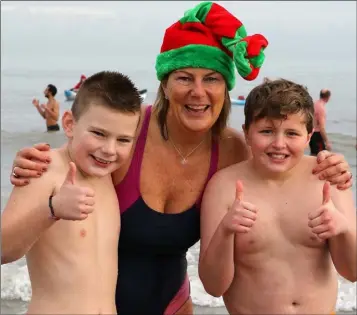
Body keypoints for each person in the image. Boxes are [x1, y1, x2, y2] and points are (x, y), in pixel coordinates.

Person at [7, 2, 353, 315]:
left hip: (174, 305)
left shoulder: (234, 150)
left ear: (226, 88)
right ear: (165, 83)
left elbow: (281, 165)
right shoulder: (128, 134)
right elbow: (83, 143)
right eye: (184, 77)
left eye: (212, 79)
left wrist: (329, 166)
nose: (198, 92)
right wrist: (39, 163)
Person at [199, 79, 356, 314]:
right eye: (266, 131)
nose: (279, 144)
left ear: (308, 135)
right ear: (246, 132)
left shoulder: (328, 178)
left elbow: (352, 273)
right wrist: (225, 230)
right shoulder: (224, 186)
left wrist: (343, 230)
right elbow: (213, 287)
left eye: (292, 133)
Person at [1, 71, 142, 314]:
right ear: (69, 124)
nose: (109, 150)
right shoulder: (43, 169)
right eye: (98, 133)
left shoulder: (108, 173)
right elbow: (3, 250)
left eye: (123, 140)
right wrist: (52, 208)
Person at [310, 88, 332, 155]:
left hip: (311, 133)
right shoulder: (321, 109)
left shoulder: (315, 104)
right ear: (328, 97)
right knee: (321, 157)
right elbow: (322, 128)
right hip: (317, 135)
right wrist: (327, 142)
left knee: (313, 155)